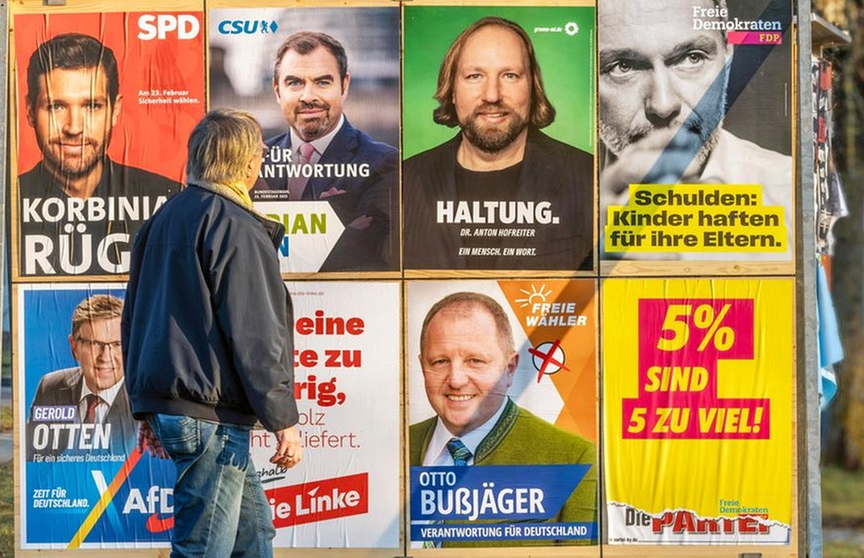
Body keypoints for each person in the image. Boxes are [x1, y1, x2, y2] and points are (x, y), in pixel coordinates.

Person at [122, 108, 301, 558]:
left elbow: (135, 319)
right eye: (258, 156)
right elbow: (256, 333)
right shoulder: (236, 225)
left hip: (182, 408)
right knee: (202, 551)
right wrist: (283, 419)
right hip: (210, 415)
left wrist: (147, 409)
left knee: (253, 538)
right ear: (246, 166)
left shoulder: (163, 220)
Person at [598, 0, 793, 259]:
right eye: (623, 66)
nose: (663, 104)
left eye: (692, 58)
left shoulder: (790, 194)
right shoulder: (555, 204)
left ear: (729, 61)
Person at [402, 17, 593, 271]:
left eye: (510, 75)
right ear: (452, 91)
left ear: (533, 88)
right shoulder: (403, 181)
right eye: (474, 76)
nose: (492, 95)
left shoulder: (590, 177)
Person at [408, 292, 596, 546]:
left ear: (510, 368)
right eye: (440, 361)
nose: (456, 379)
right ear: (422, 366)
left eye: (475, 361)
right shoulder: (395, 451)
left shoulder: (574, 458)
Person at [18, 33, 180, 275]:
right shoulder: (9, 205)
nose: (74, 128)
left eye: (92, 106)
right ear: (30, 111)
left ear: (115, 110)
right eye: (56, 106)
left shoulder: (170, 200)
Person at [257, 31, 398, 271]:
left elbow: (364, 253)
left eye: (322, 82)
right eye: (295, 82)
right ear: (277, 90)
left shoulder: (384, 163)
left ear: (344, 85)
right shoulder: (252, 160)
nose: (308, 96)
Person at [26, 294, 136, 460]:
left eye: (117, 344)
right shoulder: (50, 386)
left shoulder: (143, 395)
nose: (106, 357)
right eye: (95, 344)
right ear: (74, 347)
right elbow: (33, 457)